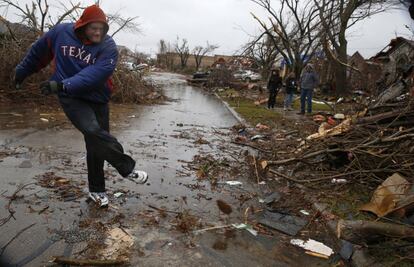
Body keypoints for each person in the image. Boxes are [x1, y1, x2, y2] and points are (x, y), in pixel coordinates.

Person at [14, 5, 148, 208]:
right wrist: (21, 72)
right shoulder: (60, 33)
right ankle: (127, 169)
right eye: (93, 28)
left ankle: (97, 191)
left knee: (96, 145)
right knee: (92, 130)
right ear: (82, 25)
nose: (98, 32)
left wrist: (61, 84)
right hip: (72, 97)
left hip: (97, 97)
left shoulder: (108, 46)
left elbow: (96, 75)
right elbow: (38, 54)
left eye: (102, 29)